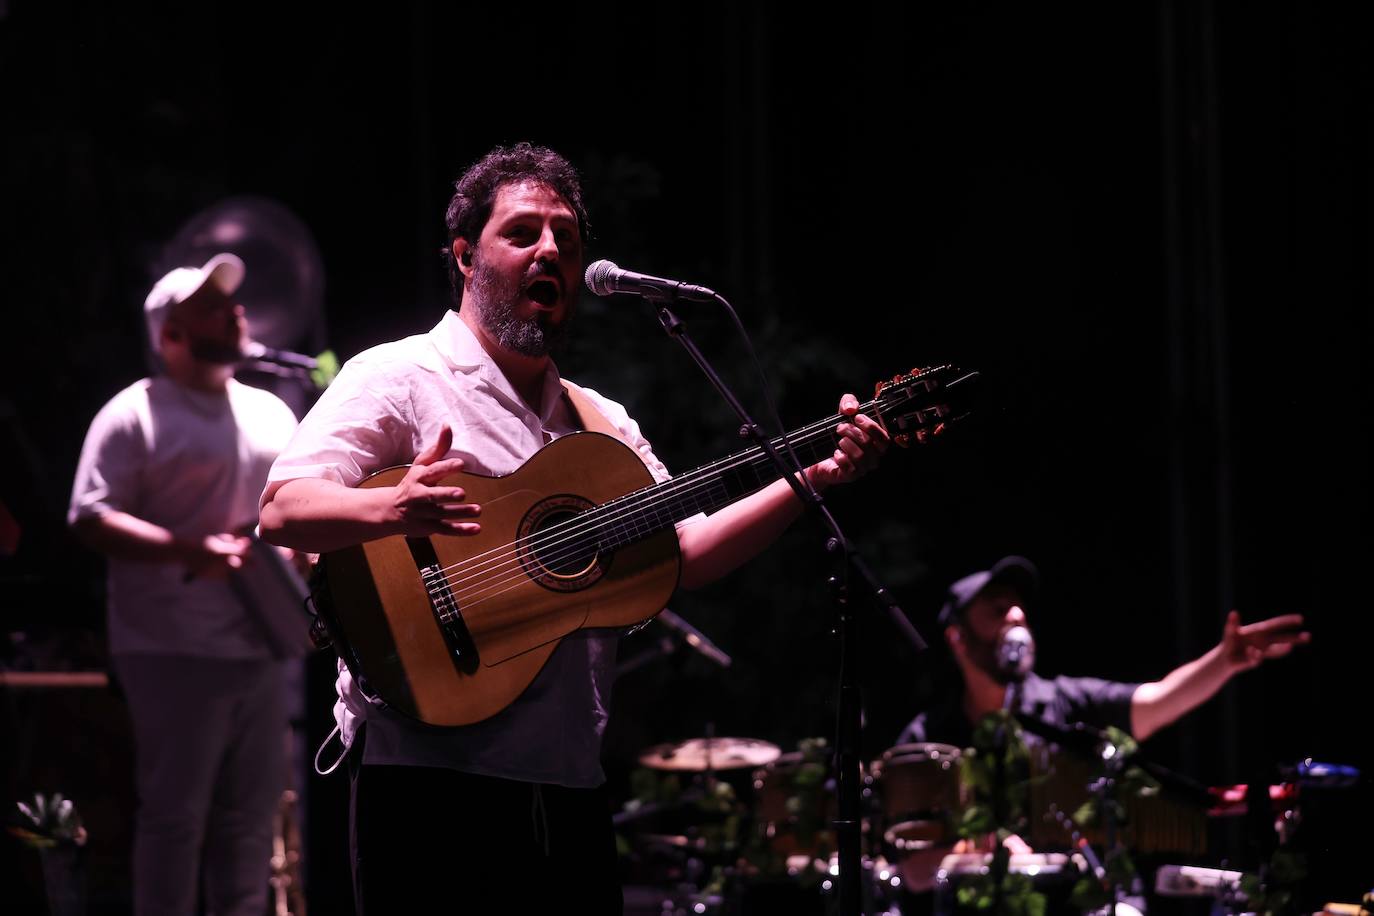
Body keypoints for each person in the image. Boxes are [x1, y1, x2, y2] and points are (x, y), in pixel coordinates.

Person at [257, 142, 890, 912]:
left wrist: (813, 477)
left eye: (566, 237)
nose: (550, 250)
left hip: (567, 787)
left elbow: (685, 552)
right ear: (464, 255)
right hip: (427, 781)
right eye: (523, 233)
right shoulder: (401, 376)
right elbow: (283, 507)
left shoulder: (602, 424)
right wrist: (391, 507)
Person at [68, 253, 300, 916]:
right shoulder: (133, 412)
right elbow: (89, 515)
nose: (235, 312)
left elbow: (291, 512)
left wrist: (302, 557)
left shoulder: (269, 412)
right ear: (171, 335)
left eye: (232, 302)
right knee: (176, 820)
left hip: (259, 647)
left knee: (249, 824)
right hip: (168, 648)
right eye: (210, 308)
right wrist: (190, 549)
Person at [896, 555, 1310, 749]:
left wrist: (1223, 661)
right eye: (998, 609)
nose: (1017, 616)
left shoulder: (1067, 704)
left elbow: (1156, 701)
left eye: (1019, 607)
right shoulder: (928, 736)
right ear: (958, 637)